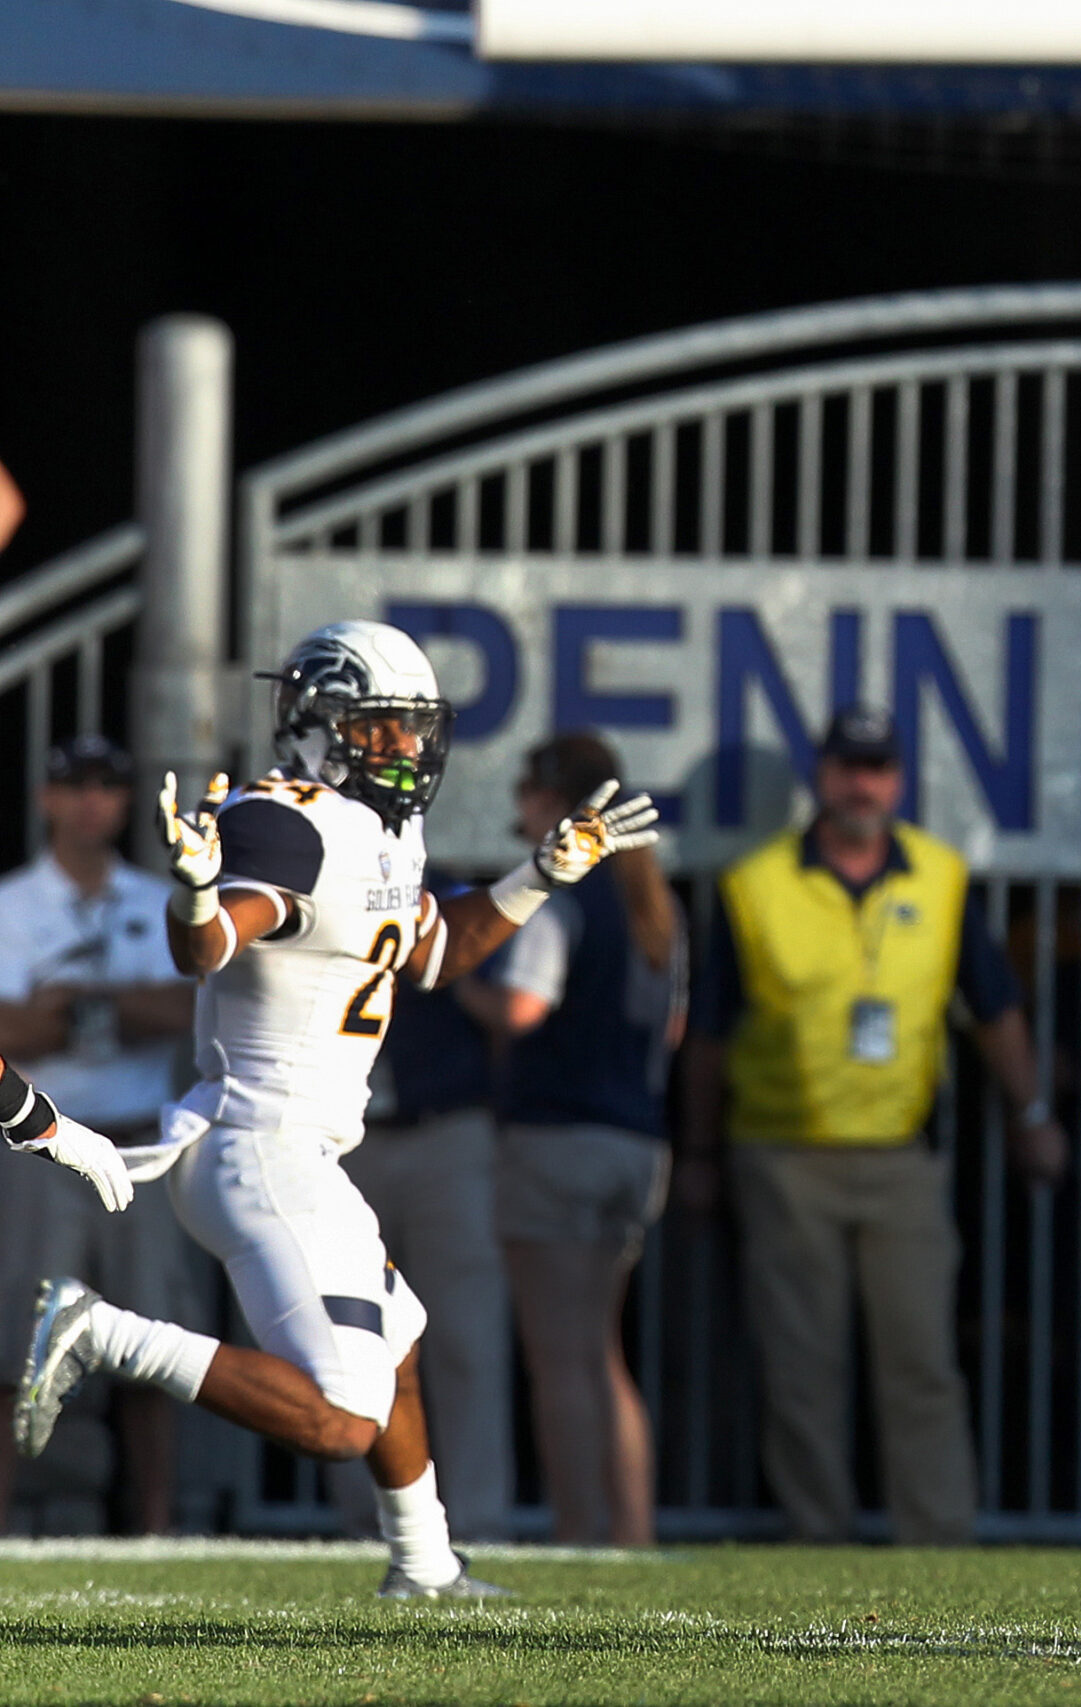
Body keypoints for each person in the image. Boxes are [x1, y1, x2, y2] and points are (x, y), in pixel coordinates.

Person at [12, 619, 656, 1596]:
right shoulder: (286, 819)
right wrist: (193, 896)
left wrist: (541, 876)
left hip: (304, 1150)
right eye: (383, 727)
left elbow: (440, 948)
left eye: (414, 728)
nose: (408, 747)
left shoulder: (382, 829)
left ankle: (426, 1565)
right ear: (320, 723)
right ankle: (101, 1332)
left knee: (396, 1350)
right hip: (259, 1147)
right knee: (341, 1415)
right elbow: (213, 945)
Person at [684, 706, 1066, 1545]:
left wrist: (1031, 1111)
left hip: (901, 1156)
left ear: (898, 778)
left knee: (920, 1360)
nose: (864, 784)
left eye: (879, 768)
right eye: (850, 767)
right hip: (783, 1154)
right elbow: (708, 1036)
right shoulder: (755, 884)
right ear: (822, 776)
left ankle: (937, 1540)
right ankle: (818, 1534)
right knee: (800, 1367)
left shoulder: (940, 875)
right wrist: (702, 1153)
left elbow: (995, 1007)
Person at [468, 733, 683, 1546]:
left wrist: (452, 982)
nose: (518, 803)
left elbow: (521, 1010)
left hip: (559, 1137)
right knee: (603, 1351)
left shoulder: (560, 898)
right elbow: (673, 1030)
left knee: (561, 1354)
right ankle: (629, 1531)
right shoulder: (660, 907)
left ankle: (579, 1527)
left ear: (557, 804)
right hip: (636, 1144)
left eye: (526, 787)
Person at [0, 737, 191, 1530]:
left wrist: (90, 998)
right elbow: (12, 1028)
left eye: (108, 787)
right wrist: (100, 1007)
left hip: (137, 1138)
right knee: (15, 1345)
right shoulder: (12, 902)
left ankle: (153, 1523)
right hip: (39, 1141)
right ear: (45, 799)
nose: (90, 802)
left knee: (156, 1337)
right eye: (74, 787)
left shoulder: (158, 899)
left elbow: (190, 1011)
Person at [326, 891, 514, 1544]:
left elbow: (504, 1004)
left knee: (465, 1334)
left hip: (447, 1131)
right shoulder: (319, 877)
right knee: (350, 1341)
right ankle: (367, 1522)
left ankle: (479, 1520)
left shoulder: (452, 890)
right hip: (345, 1136)